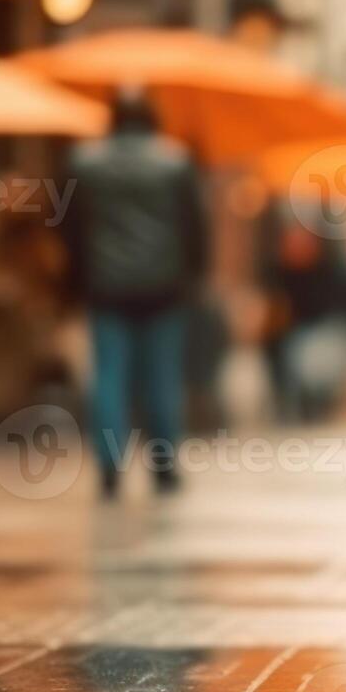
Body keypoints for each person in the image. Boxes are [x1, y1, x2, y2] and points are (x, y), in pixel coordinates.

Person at [62, 90, 208, 498]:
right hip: (164, 288)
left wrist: (76, 281)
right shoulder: (175, 161)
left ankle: (110, 466)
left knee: (109, 375)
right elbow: (195, 226)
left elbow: (71, 230)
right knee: (161, 377)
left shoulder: (85, 163)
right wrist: (193, 277)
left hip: (106, 288)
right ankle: (164, 466)